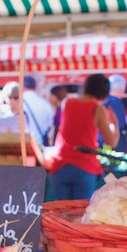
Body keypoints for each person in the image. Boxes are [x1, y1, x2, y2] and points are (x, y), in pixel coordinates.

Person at [47, 73, 119, 201]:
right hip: (84, 167)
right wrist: (115, 124)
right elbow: (111, 142)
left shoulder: (67, 103)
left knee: (61, 212)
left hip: (60, 165)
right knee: (80, 213)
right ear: (104, 92)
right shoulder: (98, 109)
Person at [0, 82, 45, 147]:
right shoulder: (4, 114)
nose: (12, 100)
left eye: (15, 97)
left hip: (27, 147)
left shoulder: (26, 111)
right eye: (10, 97)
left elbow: (32, 135)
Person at [21, 75, 55, 147]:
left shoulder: (19, 102)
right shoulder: (45, 103)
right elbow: (50, 125)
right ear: (35, 87)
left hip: (23, 144)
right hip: (41, 145)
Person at [103, 74, 127, 153]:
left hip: (105, 143)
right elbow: (120, 124)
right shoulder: (116, 103)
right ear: (122, 88)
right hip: (116, 144)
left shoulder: (105, 101)